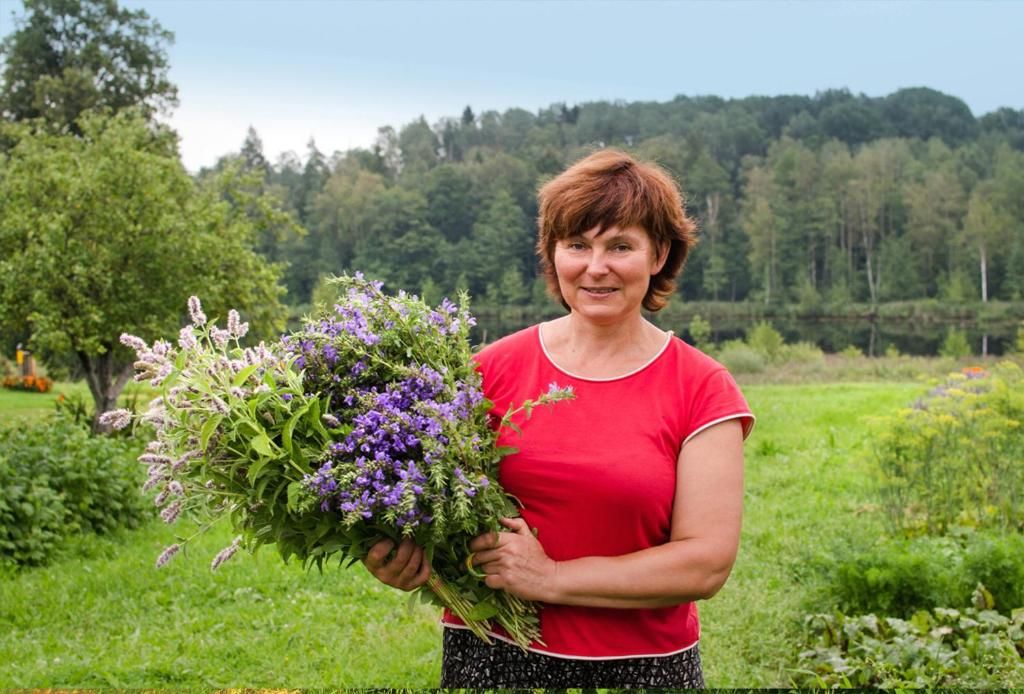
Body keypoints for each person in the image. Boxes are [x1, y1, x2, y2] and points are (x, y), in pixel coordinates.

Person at [363, 149, 754, 688]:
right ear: (553, 253)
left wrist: (551, 578)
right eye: (577, 245)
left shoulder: (701, 387)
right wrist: (406, 560)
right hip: (489, 659)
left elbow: (705, 563)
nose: (596, 267)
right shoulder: (486, 371)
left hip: (639, 670)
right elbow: (441, 510)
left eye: (620, 245)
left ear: (659, 254)